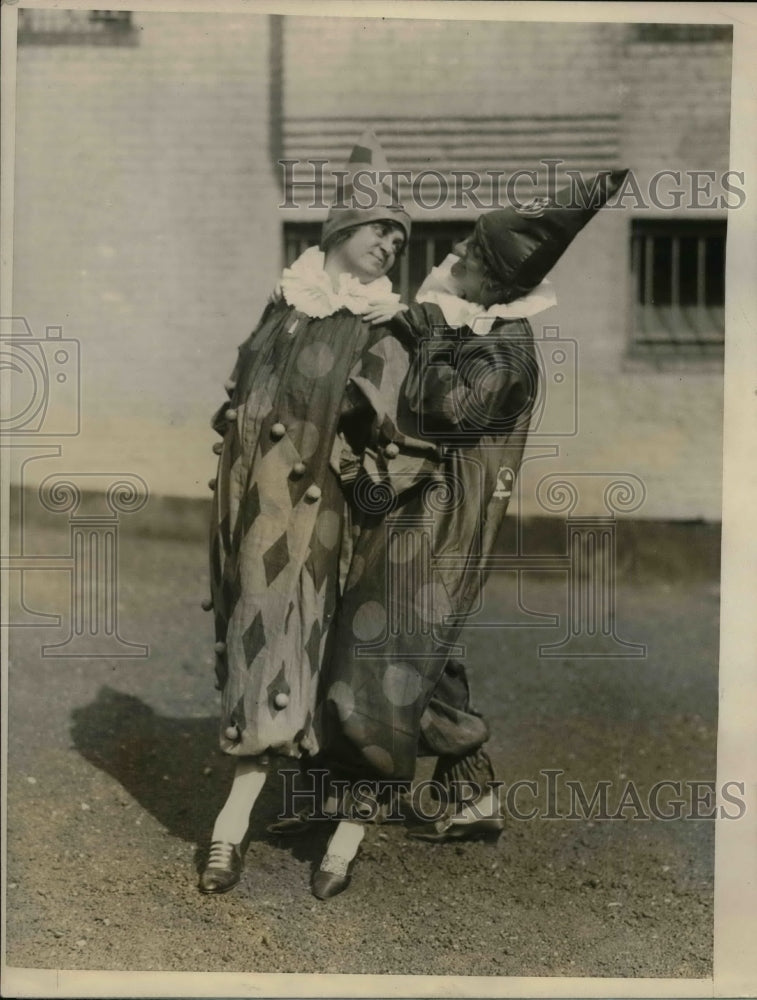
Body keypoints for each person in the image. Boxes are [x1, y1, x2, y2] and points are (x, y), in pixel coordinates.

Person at [310, 169, 629, 898]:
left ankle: (354, 797)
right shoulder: (467, 323)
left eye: (466, 249)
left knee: (402, 634)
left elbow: (441, 411)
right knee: (427, 637)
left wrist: (418, 323)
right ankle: (469, 790)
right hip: (425, 504)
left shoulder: (505, 348)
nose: (451, 251)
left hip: (451, 514)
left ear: (489, 278)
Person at [198, 131, 411, 894]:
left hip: (327, 525)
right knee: (254, 640)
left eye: (397, 234)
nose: (388, 242)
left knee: (317, 656)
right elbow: (236, 401)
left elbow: (388, 437)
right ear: (338, 233)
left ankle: (249, 828)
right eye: (378, 227)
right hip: (256, 512)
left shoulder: (385, 329)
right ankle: (238, 821)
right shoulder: (284, 307)